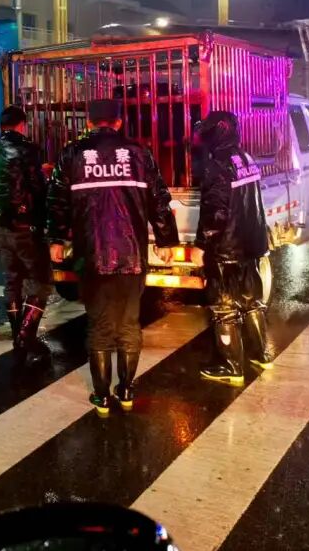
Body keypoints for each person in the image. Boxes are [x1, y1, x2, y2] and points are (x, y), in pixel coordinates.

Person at [47, 99, 179, 415]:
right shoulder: (139, 153)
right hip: (131, 256)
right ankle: (127, 390)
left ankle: (102, 395)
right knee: (129, 323)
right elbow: (159, 199)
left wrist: (56, 239)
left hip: (91, 256)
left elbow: (56, 200)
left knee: (99, 325)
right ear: (119, 122)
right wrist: (166, 240)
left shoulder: (73, 154)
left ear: (89, 123)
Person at [194, 110, 273, 386]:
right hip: (251, 244)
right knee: (252, 302)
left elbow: (215, 212)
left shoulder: (217, 165)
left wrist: (202, 245)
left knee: (224, 307)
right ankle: (261, 354)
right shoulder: (246, 158)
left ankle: (231, 366)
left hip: (227, 249)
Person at [0, 104, 55, 359]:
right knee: (41, 282)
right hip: (26, 226)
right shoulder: (28, 149)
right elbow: (37, 187)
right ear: (22, 125)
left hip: (2, 225)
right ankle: (26, 338)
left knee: (13, 280)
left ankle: (18, 334)